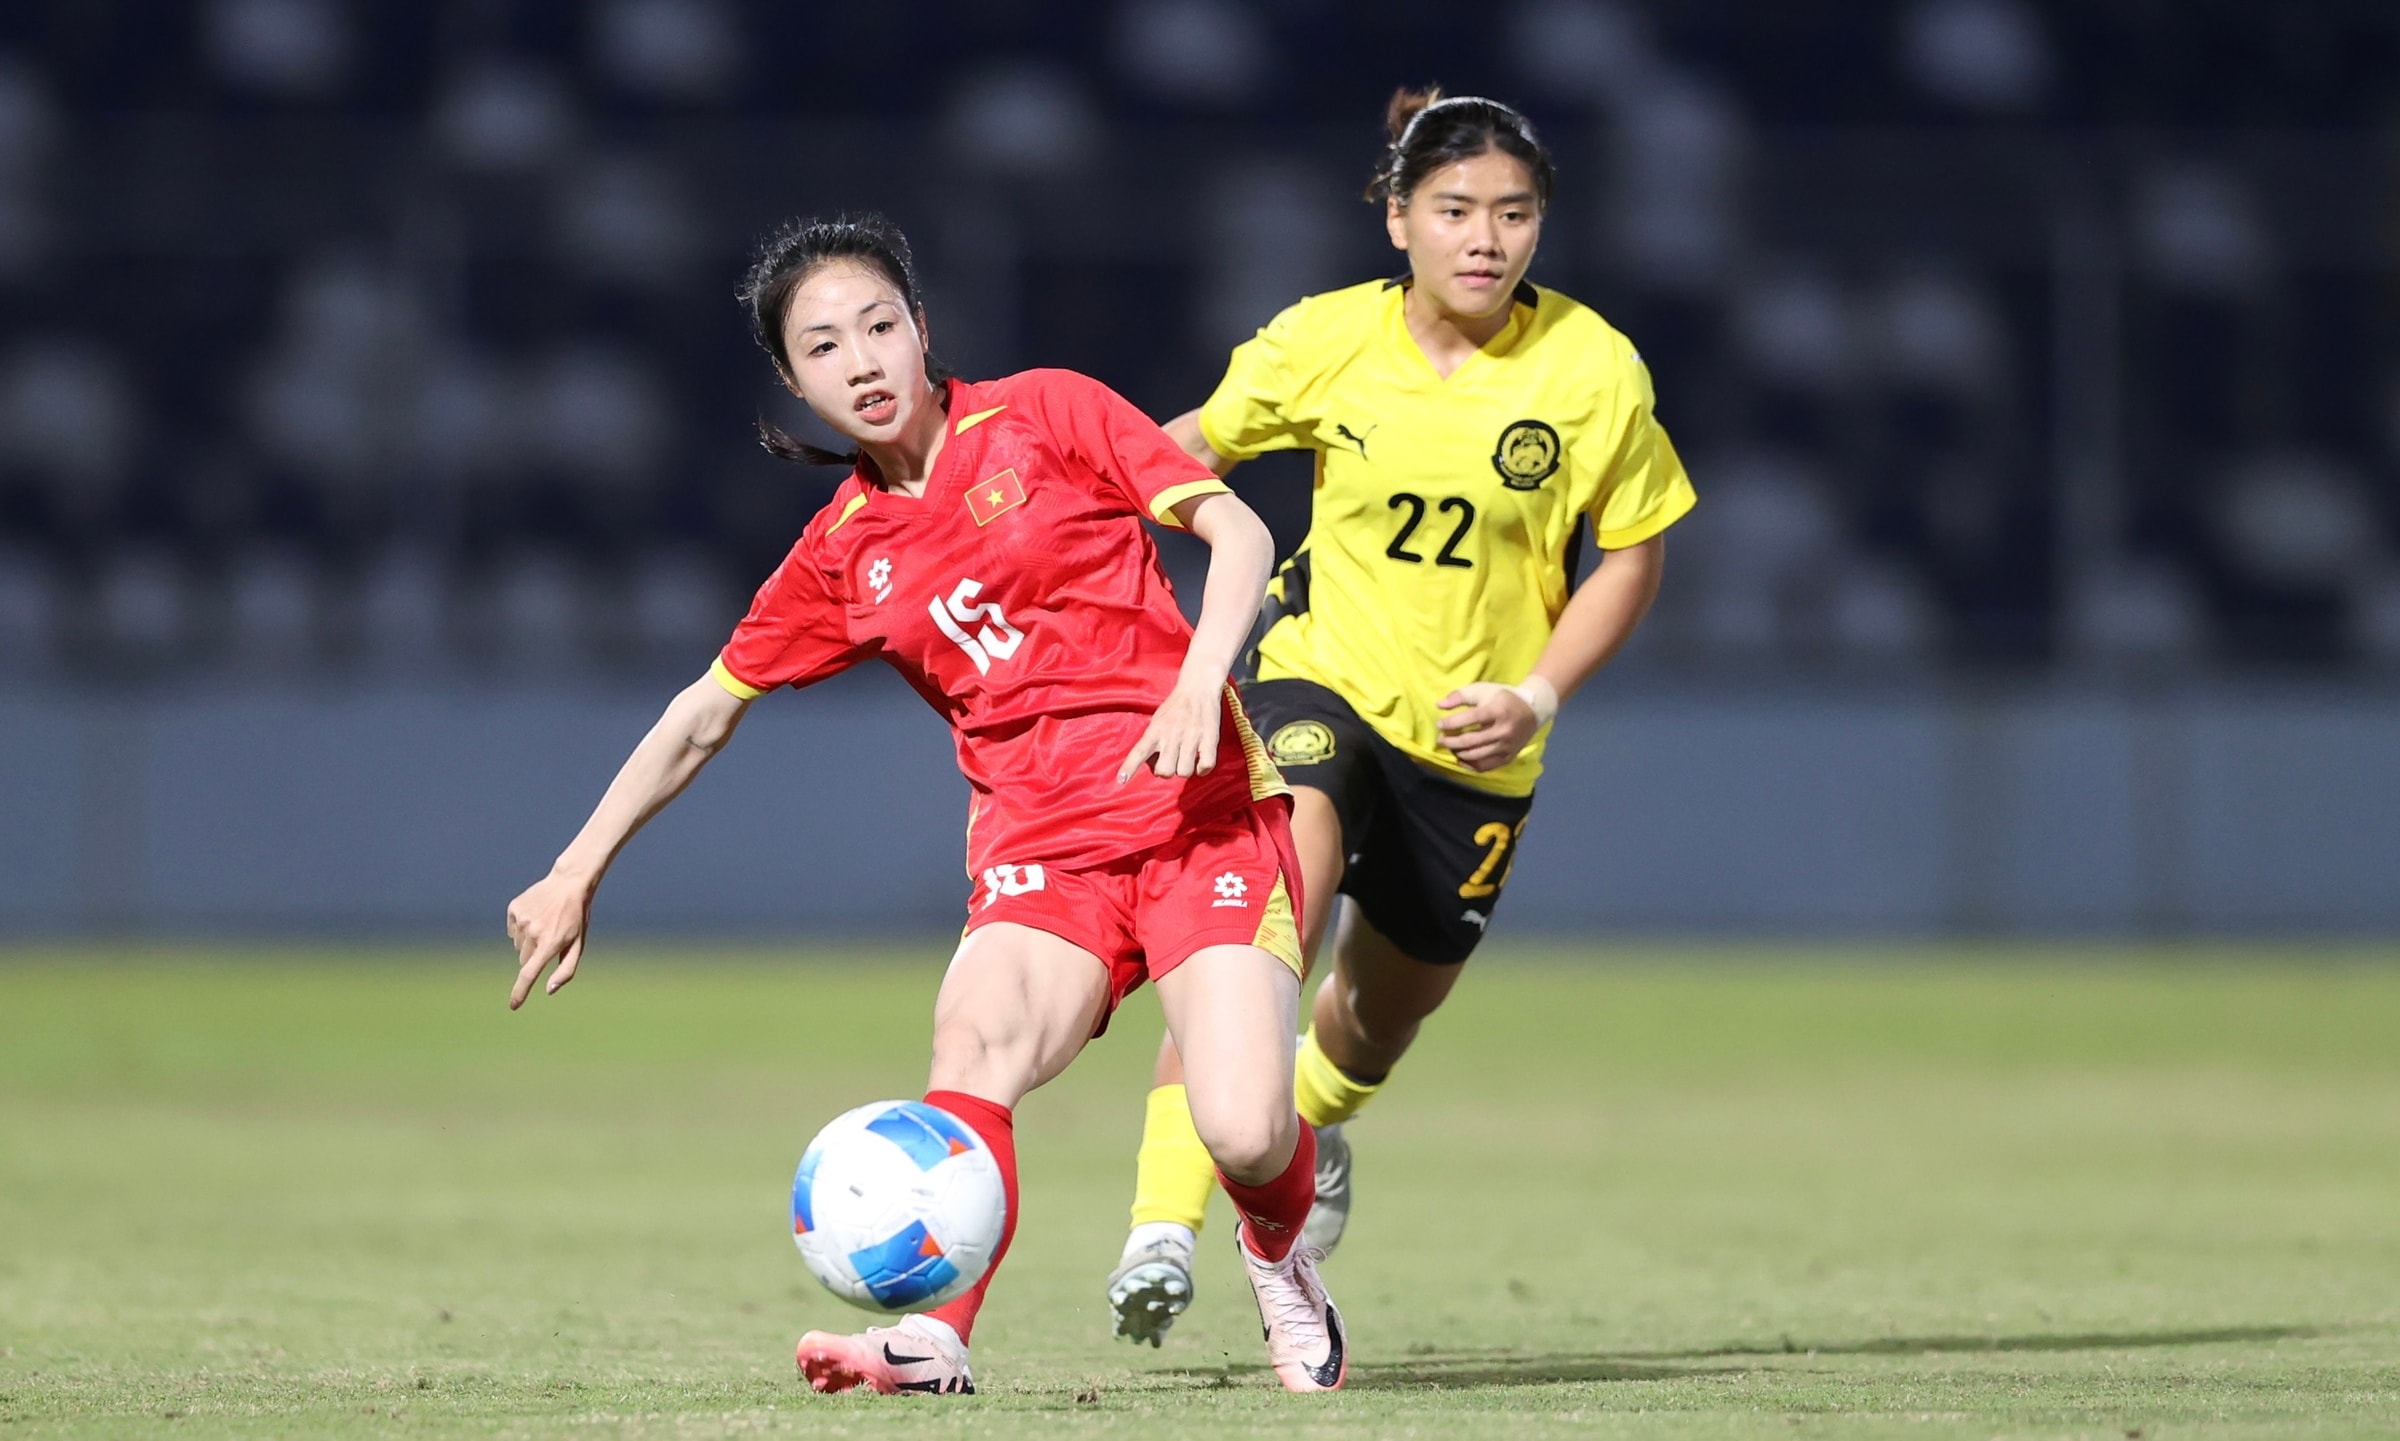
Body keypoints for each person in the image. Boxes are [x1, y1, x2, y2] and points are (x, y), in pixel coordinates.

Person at [503, 214, 1348, 1394]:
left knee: (1246, 1129)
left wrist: (1203, 676)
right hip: (1042, 855)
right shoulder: (842, 553)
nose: (861, 362)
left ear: (921, 327)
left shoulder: (1048, 412)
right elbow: (704, 710)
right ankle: (933, 1338)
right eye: (823, 347)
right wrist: (575, 866)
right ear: (793, 380)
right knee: (973, 1044)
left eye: (878, 326)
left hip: (1198, 818)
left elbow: (1239, 528)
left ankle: (1277, 1250)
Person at [1105, 89, 1696, 1345]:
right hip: (1317, 680)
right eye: (1455, 210)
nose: (1485, 238)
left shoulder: (1592, 367)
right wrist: (1071, 511)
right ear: (1396, 218)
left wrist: (1536, 694)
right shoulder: (1323, 339)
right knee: (1257, 932)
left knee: (1379, 1017)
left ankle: (1313, 1123)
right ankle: (1161, 1225)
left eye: (1514, 214)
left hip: (1478, 742)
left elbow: (1634, 554)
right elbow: (1189, 450)